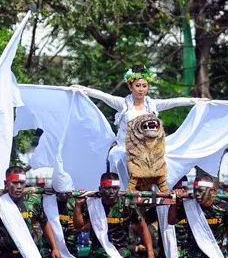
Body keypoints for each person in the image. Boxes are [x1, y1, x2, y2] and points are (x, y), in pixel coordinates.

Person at [71, 65, 209, 187]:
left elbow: (173, 102)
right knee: (116, 155)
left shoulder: (152, 105)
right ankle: (123, 191)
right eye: (137, 86)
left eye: (144, 86)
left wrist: (194, 100)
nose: (141, 89)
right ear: (130, 86)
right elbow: (103, 96)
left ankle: (160, 191)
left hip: (147, 148)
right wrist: (83, 89)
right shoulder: (123, 104)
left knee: (167, 157)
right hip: (125, 148)